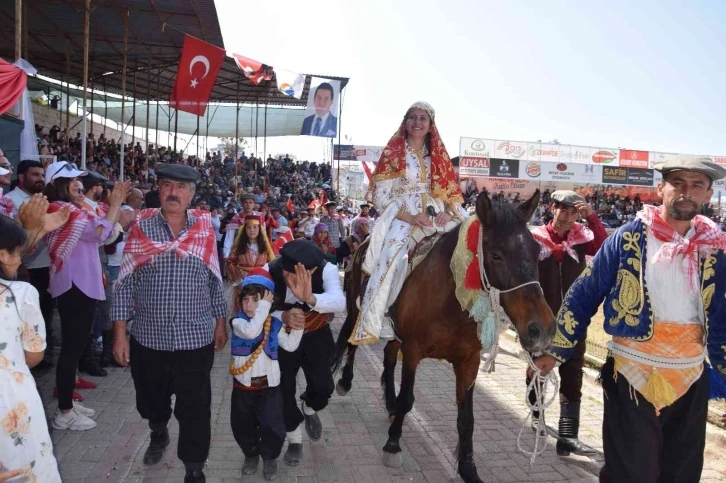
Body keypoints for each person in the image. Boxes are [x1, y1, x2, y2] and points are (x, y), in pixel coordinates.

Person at [532, 157, 726, 482]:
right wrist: (555, 350)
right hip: (632, 373)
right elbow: (585, 293)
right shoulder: (627, 238)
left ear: (707, 195)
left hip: (690, 377)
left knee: (681, 474)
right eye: (677, 183)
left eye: (696, 185)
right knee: (631, 473)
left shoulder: (715, 248)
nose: (686, 192)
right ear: (661, 188)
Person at [111, 163, 227, 483]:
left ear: (191, 194)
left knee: (195, 407)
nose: (172, 192)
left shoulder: (205, 228)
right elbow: (125, 284)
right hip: (149, 338)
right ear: (159, 190)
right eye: (166, 185)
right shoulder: (140, 226)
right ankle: (158, 430)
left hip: (195, 338)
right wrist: (120, 335)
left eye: (180, 187)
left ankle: (193, 467)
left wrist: (221, 321)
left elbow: (214, 279)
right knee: (151, 402)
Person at [350, 101, 467, 344]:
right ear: (405, 123)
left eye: (423, 118)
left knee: (470, 246)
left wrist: (448, 211)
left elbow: (449, 193)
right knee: (392, 257)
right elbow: (381, 198)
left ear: (430, 125)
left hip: (436, 213)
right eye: (412, 117)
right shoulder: (394, 153)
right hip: (402, 215)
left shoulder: (437, 156)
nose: (417, 122)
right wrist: (411, 217)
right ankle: (380, 314)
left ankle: (477, 314)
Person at [43, 162, 128, 431]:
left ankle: (66, 401)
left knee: (76, 347)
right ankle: (64, 411)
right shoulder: (59, 208)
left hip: (82, 283)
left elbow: (103, 232)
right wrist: (114, 206)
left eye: (79, 180)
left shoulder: (74, 209)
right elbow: (100, 233)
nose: (78, 185)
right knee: (71, 349)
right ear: (58, 183)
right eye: (72, 181)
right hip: (74, 285)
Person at [526, 190, 607, 456]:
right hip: (540, 320)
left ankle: (567, 437)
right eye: (564, 211)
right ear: (552, 209)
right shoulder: (534, 238)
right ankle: (536, 414)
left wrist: (592, 218)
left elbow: (605, 248)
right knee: (538, 371)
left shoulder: (583, 239)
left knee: (573, 375)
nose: (568, 217)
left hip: (574, 320)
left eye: (574, 213)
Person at [262, 239, 345, 466]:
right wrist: (282, 317)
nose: (291, 281)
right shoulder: (270, 270)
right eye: (288, 275)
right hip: (281, 336)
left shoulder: (326, 269)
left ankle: (309, 407)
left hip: (316, 334)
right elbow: (253, 309)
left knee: (324, 387)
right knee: (282, 389)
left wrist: (310, 298)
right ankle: (294, 439)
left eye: (298, 276)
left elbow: (339, 301)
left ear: (313, 269)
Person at [0, 216, 62, 482]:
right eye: (18, 253)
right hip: (12, 399)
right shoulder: (20, 294)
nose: (20, 260)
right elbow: (34, 354)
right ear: (3, 254)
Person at [229, 268, 304, 481]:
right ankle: (251, 455)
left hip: (269, 388)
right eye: (246, 299)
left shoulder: (274, 324)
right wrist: (265, 305)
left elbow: (289, 346)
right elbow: (253, 331)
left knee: (273, 426)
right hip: (243, 388)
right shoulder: (238, 323)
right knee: (242, 425)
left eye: (256, 300)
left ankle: (270, 457)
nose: (250, 305)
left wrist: (298, 326)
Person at [5, 160, 55, 366]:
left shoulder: (43, 200)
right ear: (22, 177)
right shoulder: (9, 200)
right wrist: (21, 265)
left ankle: (41, 356)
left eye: (42, 175)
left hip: (45, 266)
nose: (40, 179)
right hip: (23, 270)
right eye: (35, 175)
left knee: (44, 314)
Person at [225, 214, 276, 313]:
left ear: (259, 229)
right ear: (244, 229)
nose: (252, 230)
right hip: (243, 282)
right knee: (244, 306)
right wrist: (240, 275)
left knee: (260, 308)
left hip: (261, 282)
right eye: (248, 227)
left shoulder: (265, 247)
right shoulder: (239, 246)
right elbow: (230, 262)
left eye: (255, 227)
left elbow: (271, 263)